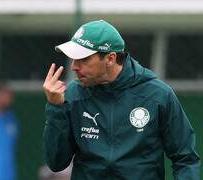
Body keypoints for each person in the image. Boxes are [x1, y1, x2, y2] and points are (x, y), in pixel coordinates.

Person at [43, 20, 200, 179]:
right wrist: (56, 108)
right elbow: (56, 163)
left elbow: (185, 158)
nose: (74, 67)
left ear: (110, 58)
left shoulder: (158, 95)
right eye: (73, 59)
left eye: (83, 59)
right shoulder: (71, 95)